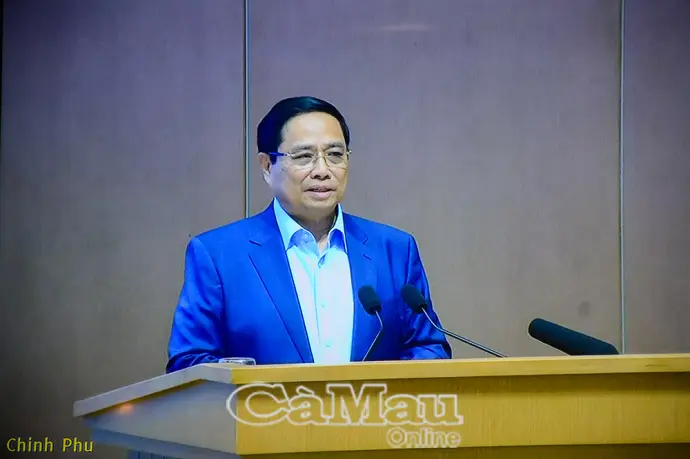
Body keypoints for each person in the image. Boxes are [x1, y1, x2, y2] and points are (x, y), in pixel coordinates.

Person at [166, 96, 451, 372]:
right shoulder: (219, 255)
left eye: (335, 155)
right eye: (304, 157)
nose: (323, 171)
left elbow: (428, 346)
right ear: (267, 166)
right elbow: (189, 361)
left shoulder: (394, 250)